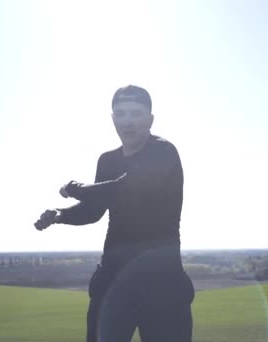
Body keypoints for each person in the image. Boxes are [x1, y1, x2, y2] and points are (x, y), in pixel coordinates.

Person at [34, 85, 194, 342]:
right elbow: (94, 210)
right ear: (112, 118)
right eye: (120, 114)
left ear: (150, 119)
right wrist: (59, 215)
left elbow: (125, 187)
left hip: (162, 280)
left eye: (136, 113)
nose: (127, 121)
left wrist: (74, 187)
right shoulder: (107, 160)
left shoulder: (163, 152)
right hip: (113, 279)